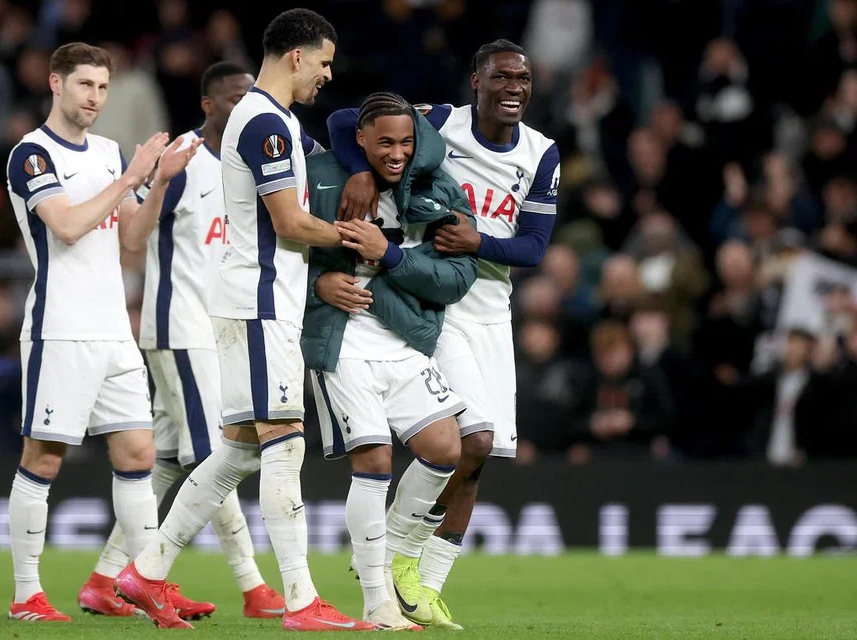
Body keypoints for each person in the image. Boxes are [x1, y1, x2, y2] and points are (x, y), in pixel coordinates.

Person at [114, 9, 374, 631]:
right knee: (284, 447)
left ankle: (143, 573)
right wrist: (352, 238)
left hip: (260, 300)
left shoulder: (279, 120)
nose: (328, 75)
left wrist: (360, 169)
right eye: (324, 62)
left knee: (236, 452)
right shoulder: (264, 124)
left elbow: (340, 132)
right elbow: (287, 222)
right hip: (257, 301)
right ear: (295, 57)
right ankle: (301, 601)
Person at [326, 39, 559, 629]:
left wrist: (481, 242)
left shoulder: (541, 153)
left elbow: (533, 247)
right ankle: (396, 556)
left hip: (492, 311)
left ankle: (424, 583)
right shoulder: (438, 124)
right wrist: (358, 169)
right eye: (502, 77)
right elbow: (346, 121)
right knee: (471, 441)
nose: (514, 88)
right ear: (476, 80)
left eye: (523, 79)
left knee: (485, 456)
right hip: (437, 304)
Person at [77, 62, 286, 622]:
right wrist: (160, 179)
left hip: (218, 331)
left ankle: (104, 580)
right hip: (181, 328)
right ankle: (253, 586)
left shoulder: (248, 159)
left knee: (169, 459)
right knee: (217, 457)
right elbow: (133, 238)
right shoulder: (186, 161)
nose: (245, 106)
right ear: (209, 104)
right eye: (235, 98)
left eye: (251, 98)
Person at [5, 42, 200, 623]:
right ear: (55, 83)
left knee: (139, 452)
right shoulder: (32, 155)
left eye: (103, 87)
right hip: (59, 329)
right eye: (84, 84)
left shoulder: (112, 153)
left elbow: (131, 241)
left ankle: (144, 586)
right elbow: (65, 226)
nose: (94, 97)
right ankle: (25, 595)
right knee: (42, 460)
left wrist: (158, 182)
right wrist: (130, 178)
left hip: (114, 327)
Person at [304, 92, 477, 629]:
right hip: (344, 340)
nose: (398, 153)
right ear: (359, 140)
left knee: (446, 446)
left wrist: (388, 254)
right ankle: (377, 600)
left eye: (407, 141)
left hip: (402, 339)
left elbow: (455, 278)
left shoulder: (437, 187)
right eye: (384, 142)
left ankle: (385, 551)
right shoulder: (319, 175)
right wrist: (319, 284)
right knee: (374, 461)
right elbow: (276, 253)